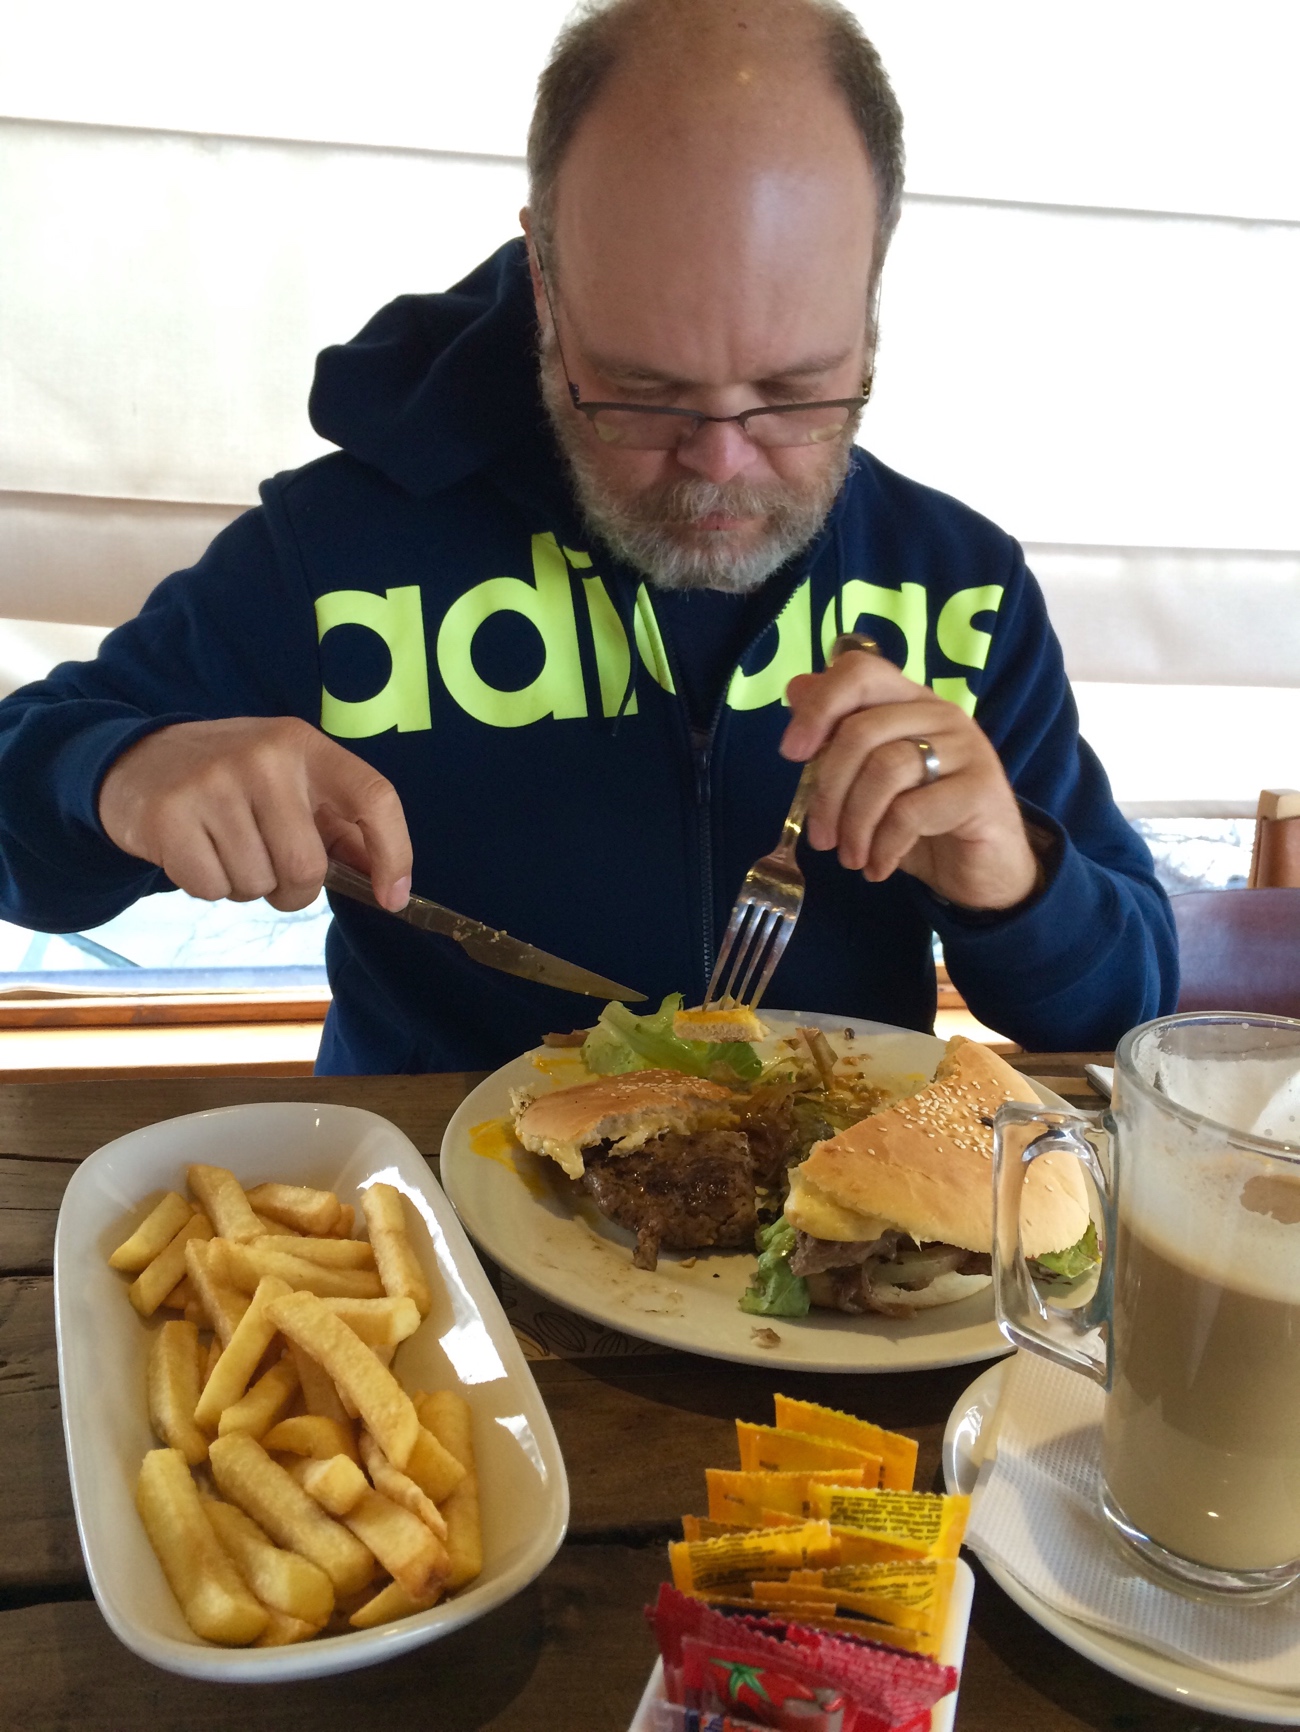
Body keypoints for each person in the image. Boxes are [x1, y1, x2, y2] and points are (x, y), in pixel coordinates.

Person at [0, 0, 1177, 1071]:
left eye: (795, 390)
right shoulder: (335, 549)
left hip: (830, 1269)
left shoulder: (957, 584)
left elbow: (1130, 1003)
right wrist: (120, 776)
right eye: (644, 392)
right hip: (438, 1245)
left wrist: (1011, 873)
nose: (721, 466)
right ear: (549, 286)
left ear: (868, 305)